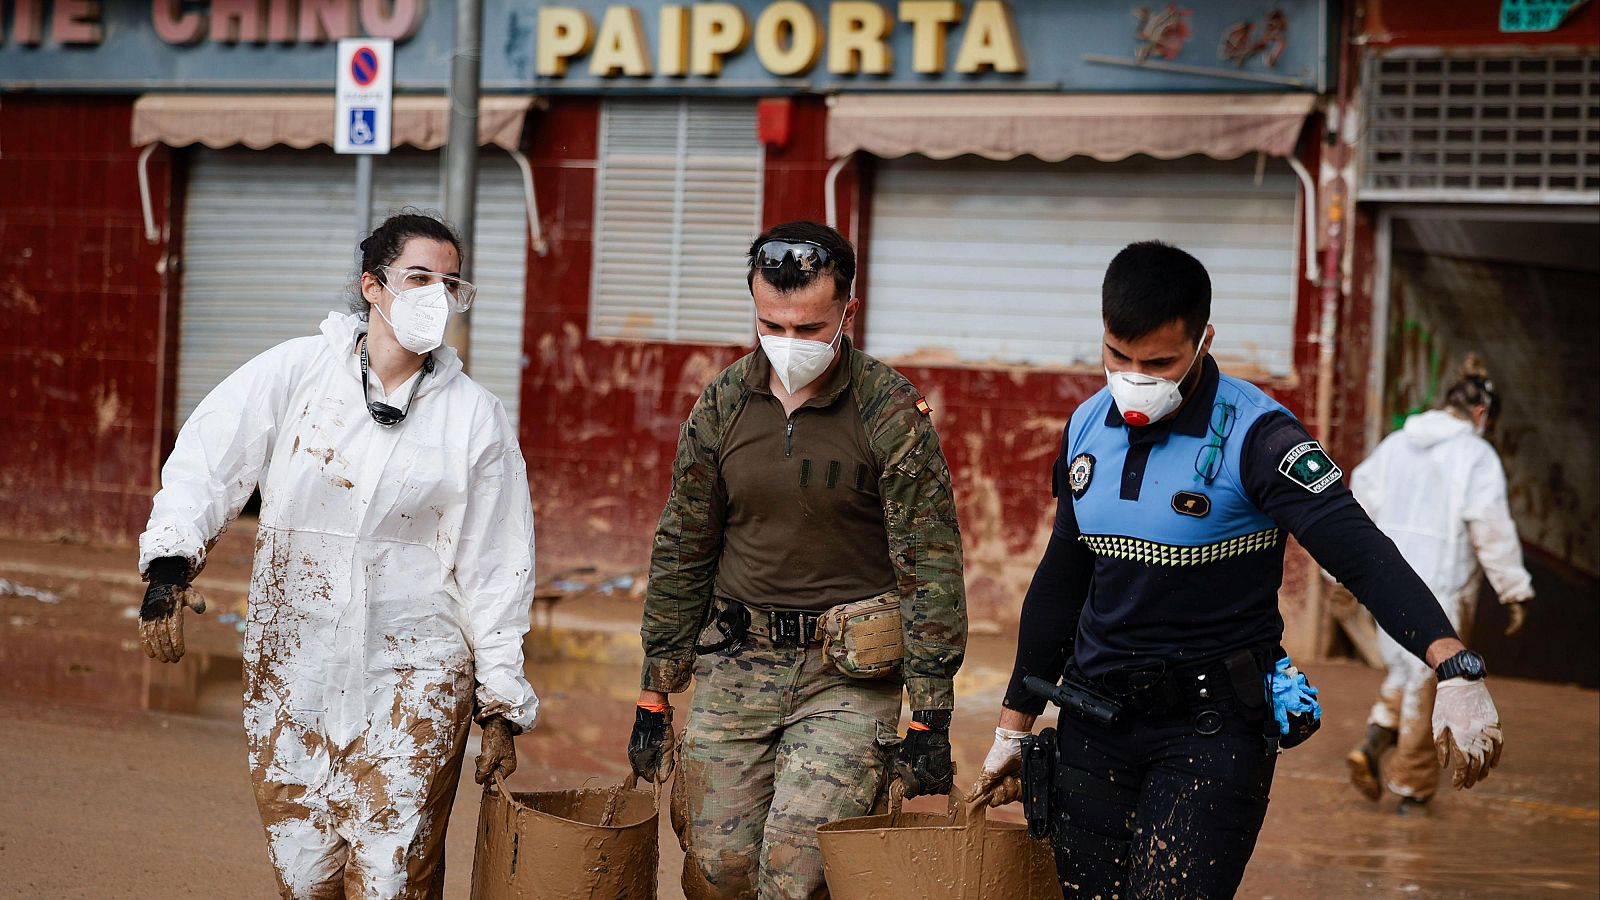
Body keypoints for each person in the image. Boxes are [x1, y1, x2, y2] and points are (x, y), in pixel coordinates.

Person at [971, 241, 1506, 898]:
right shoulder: (1085, 426)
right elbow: (1061, 582)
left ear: (1203, 341)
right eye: (1119, 357)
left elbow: (1360, 552)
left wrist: (1450, 660)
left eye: (1160, 362)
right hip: (1092, 724)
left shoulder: (1261, 438)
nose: (1135, 378)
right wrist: (1013, 727)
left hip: (1212, 730)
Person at [137, 210, 538, 899]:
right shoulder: (298, 372)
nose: (435, 295)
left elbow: (497, 560)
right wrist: (170, 563)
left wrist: (500, 697)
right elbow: (210, 458)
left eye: (450, 282)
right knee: (304, 874)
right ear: (372, 287)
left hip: (419, 676)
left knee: (391, 877)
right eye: (418, 277)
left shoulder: (474, 415)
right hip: (295, 667)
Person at [625, 221, 967, 899]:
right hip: (735, 660)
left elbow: (929, 565)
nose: (788, 344)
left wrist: (930, 716)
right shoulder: (722, 403)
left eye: (808, 328)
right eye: (769, 324)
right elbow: (683, 548)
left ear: (848, 311)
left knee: (796, 871)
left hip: (845, 673)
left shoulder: (890, 410)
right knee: (718, 866)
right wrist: (654, 691)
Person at [1344, 355, 1533, 814]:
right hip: (1441, 590)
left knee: (1409, 674)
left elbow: (1354, 504)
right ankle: (1413, 790)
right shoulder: (1477, 455)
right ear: (1482, 415)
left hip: (1387, 587)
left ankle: (1372, 744)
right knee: (1433, 687)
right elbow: (1489, 524)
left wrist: (1343, 575)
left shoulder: (1395, 445)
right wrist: (1514, 589)